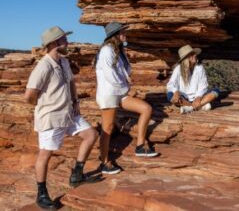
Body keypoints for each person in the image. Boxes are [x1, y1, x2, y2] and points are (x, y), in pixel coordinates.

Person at [25, 26, 99, 210]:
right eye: (64, 39)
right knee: (45, 154)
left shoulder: (64, 62)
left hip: (69, 113)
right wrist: (43, 107)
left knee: (91, 135)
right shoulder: (44, 66)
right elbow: (29, 95)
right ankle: (41, 193)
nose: (68, 42)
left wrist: (75, 101)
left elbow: (71, 82)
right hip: (51, 117)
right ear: (54, 43)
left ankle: (77, 175)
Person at [95, 22, 159, 175]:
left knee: (146, 109)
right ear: (115, 35)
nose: (125, 34)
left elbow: (126, 72)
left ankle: (140, 145)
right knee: (108, 128)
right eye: (123, 31)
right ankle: (104, 161)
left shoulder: (119, 51)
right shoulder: (106, 51)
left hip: (120, 93)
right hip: (109, 93)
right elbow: (110, 75)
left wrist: (125, 82)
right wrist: (126, 86)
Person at [167, 45, 220, 114]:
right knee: (170, 95)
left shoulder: (199, 68)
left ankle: (189, 108)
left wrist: (198, 97)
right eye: (191, 54)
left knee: (216, 91)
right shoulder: (178, 69)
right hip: (184, 98)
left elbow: (203, 85)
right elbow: (171, 84)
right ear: (186, 58)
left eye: (194, 53)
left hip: (198, 97)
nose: (195, 55)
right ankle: (200, 106)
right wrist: (176, 92)